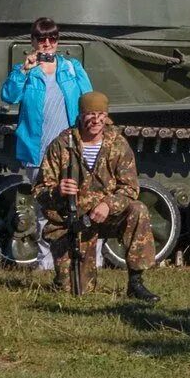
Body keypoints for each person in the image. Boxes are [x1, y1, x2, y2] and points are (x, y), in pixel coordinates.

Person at [35, 92, 158, 302]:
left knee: (138, 209)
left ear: (106, 116)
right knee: (75, 290)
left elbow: (130, 188)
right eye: (90, 114)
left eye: (100, 114)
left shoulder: (117, 144)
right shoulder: (62, 145)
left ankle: (136, 282)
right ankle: (63, 275)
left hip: (107, 216)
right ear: (81, 116)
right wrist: (57, 190)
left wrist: (109, 205)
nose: (95, 120)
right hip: (72, 222)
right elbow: (39, 190)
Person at [0, 18, 93, 270]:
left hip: (70, 149)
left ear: (58, 41)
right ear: (33, 42)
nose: (48, 44)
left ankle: (86, 264)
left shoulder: (71, 68)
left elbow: (89, 99)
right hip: (38, 150)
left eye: (52, 39)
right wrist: (24, 70)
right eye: (42, 39)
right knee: (43, 210)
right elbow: (8, 96)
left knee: (82, 205)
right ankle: (47, 266)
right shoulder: (25, 70)